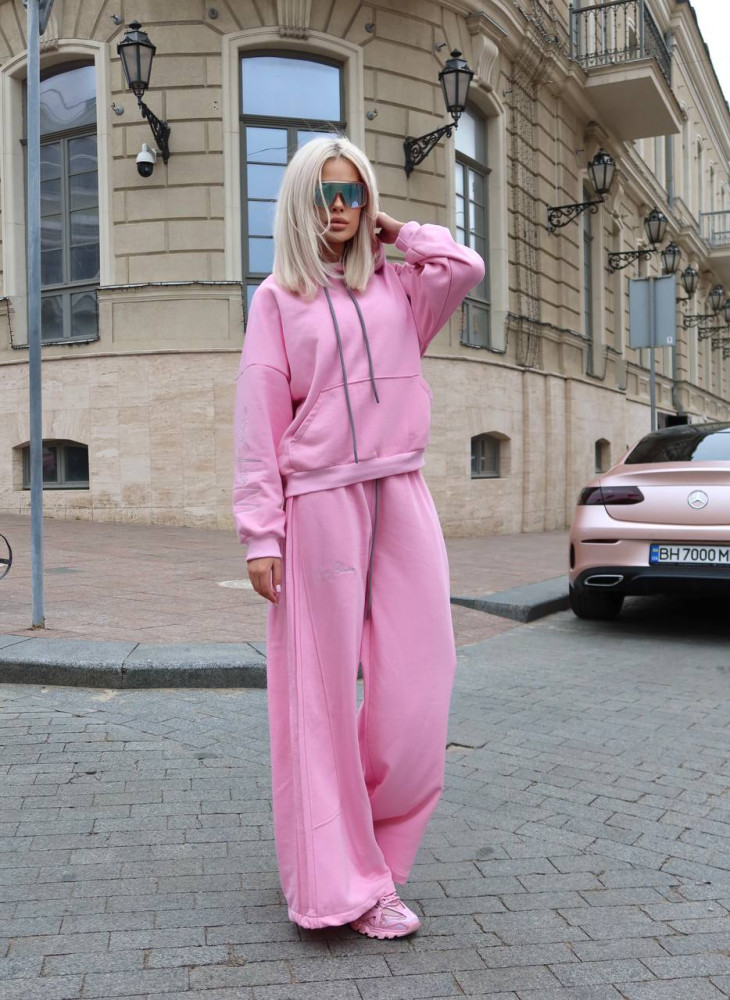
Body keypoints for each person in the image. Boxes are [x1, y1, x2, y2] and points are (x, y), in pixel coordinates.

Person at [232, 135, 484, 937]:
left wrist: (399, 231)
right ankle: (340, 883)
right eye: (325, 194)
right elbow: (258, 420)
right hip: (317, 505)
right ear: (300, 203)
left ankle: (373, 855)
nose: (339, 208)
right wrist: (261, 534)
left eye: (353, 194)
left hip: (401, 492)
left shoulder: (402, 288)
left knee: (420, 692)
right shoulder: (277, 299)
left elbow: (464, 267)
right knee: (320, 704)